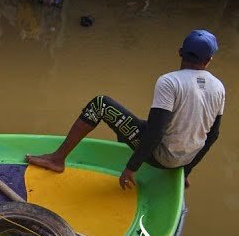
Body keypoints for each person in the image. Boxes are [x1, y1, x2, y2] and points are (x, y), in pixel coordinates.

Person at [26, 29, 224, 190]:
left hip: (161, 157)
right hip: (184, 159)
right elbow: (213, 135)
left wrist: (131, 168)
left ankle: (57, 159)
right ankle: (131, 148)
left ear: (180, 52)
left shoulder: (170, 82)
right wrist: (186, 170)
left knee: (100, 104)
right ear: (209, 61)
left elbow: (156, 132)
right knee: (135, 125)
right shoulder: (218, 87)